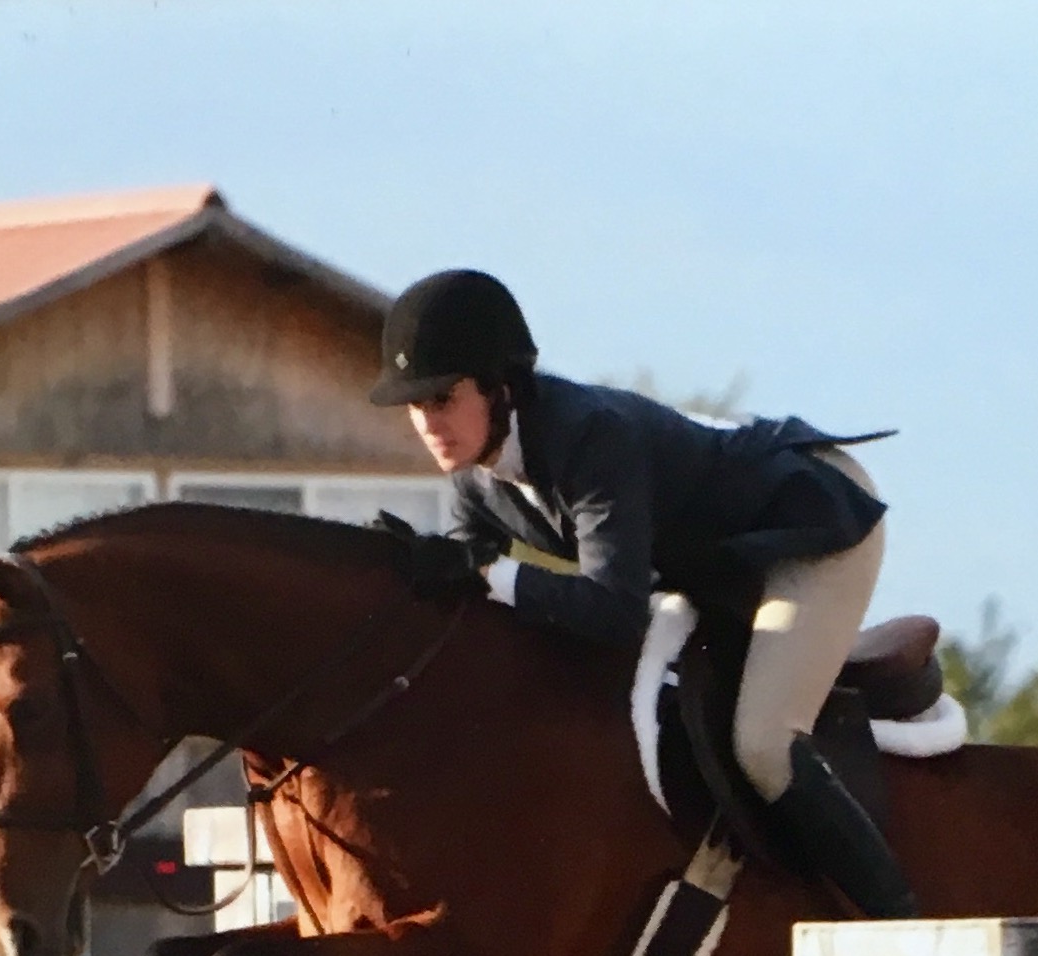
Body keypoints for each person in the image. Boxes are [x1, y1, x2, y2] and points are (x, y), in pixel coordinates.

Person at [368, 268, 918, 918]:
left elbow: (612, 610)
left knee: (764, 744)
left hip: (810, 519)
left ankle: (901, 926)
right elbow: (474, 593)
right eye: (415, 405)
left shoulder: (589, 436)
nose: (427, 422)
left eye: (442, 398)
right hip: (719, 560)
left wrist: (487, 572)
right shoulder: (475, 481)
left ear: (500, 385)